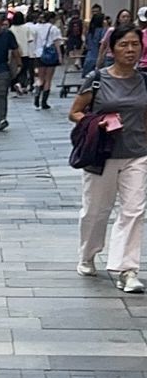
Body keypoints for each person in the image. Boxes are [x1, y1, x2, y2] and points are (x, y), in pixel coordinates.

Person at [70, 24, 147, 293]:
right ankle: (88, 254)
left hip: (137, 154)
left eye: (135, 44)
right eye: (124, 44)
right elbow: (76, 112)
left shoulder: (144, 80)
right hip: (101, 153)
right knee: (95, 211)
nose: (130, 50)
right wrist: (98, 122)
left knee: (134, 210)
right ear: (112, 48)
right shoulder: (97, 79)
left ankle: (127, 269)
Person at [33, 10, 64, 109]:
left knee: (40, 78)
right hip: (50, 55)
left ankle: (37, 96)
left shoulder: (36, 27)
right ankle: (44, 102)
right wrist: (59, 56)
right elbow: (57, 43)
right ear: (52, 19)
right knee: (48, 79)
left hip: (39, 54)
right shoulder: (54, 28)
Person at [10, 10, 37, 96]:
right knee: (24, 70)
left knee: (14, 70)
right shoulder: (27, 28)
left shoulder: (11, 29)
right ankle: (22, 84)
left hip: (14, 53)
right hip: (25, 52)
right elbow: (30, 39)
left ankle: (14, 84)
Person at [83, 8, 106, 75]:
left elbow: (87, 44)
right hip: (98, 58)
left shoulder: (90, 32)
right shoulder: (102, 31)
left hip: (89, 57)